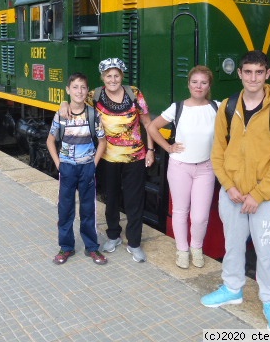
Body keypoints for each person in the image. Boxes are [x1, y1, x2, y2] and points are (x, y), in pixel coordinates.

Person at [200, 50, 270, 331]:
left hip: (263, 197)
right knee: (232, 245)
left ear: (267, 74)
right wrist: (228, 186)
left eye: (259, 72)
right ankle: (232, 289)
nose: (253, 77)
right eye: (248, 72)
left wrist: (259, 194)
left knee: (265, 252)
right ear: (239, 73)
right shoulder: (228, 107)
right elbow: (217, 150)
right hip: (232, 194)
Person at [62, 58, 155, 262]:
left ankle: (134, 242)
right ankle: (113, 236)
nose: (112, 79)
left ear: (122, 76)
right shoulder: (95, 95)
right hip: (107, 157)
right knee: (111, 198)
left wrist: (150, 149)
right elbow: (75, 99)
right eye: (108, 76)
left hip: (135, 157)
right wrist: (63, 103)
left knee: (134, 200)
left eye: (116, 75)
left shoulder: (134, 93)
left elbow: (147, 123)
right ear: (102, 77)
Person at [147, 65, 217, 269]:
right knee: (180, 211)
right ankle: (182, 250)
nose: (199, 86)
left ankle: (196, 248)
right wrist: (168, 147)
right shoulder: (177, 107)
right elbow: (152, 127)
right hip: (180, 167)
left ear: (209, 85)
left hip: (206, 167)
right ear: (188, 84)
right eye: (194, 82)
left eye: (203, 82)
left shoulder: (217, 107)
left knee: (200, 216)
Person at [47, 73, 107, 265]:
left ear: (86, 91)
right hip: (67, 168)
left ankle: (92, 247)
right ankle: (66, 247)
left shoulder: (92, 114)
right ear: (68, 90)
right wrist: (58, 163)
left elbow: (102, 141)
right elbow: (50, 140)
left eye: (82, 87)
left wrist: (94, 164)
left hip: (87, 168)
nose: (79, 91)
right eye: (75, 87)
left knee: (88, 208)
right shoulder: (61, 114)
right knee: (65, 208)